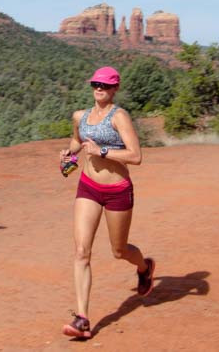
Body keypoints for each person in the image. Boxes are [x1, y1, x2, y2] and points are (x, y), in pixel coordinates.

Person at [59, 66, 155, 338]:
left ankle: (144, 267)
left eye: (105, 85)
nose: (99, 88)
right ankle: (82, 319)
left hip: (117, 190)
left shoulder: (119, 117)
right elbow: (77, 140)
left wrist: (103, 151)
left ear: (114, 89)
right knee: (81, 251)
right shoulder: (81, 116)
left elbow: (136, 156)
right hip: (88, 187)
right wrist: (70, 153)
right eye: (95, 84)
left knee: (119, 250)